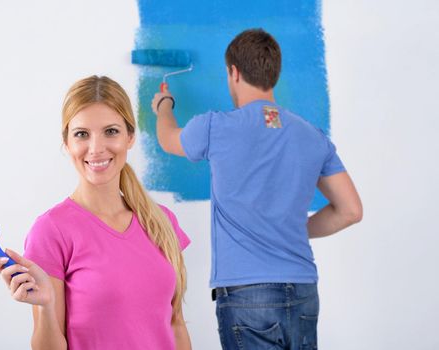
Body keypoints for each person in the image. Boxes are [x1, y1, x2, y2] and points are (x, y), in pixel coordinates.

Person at [151, 28, 362, 349]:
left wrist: (164, 105)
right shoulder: (312, 136)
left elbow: (168, 139)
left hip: (248, 295)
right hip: (303, 289)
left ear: (234, 72)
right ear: (272, 75)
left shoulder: (215, 127)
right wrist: (293, 229)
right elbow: (350, 211)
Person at [0, 76, 192, 350]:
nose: (96, 148)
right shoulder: (51, 230)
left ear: (130, 137)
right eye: (81, 134)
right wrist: (48, 306)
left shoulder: (162, 221)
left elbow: (176, 325)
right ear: (67, 143)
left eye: (111, 131)